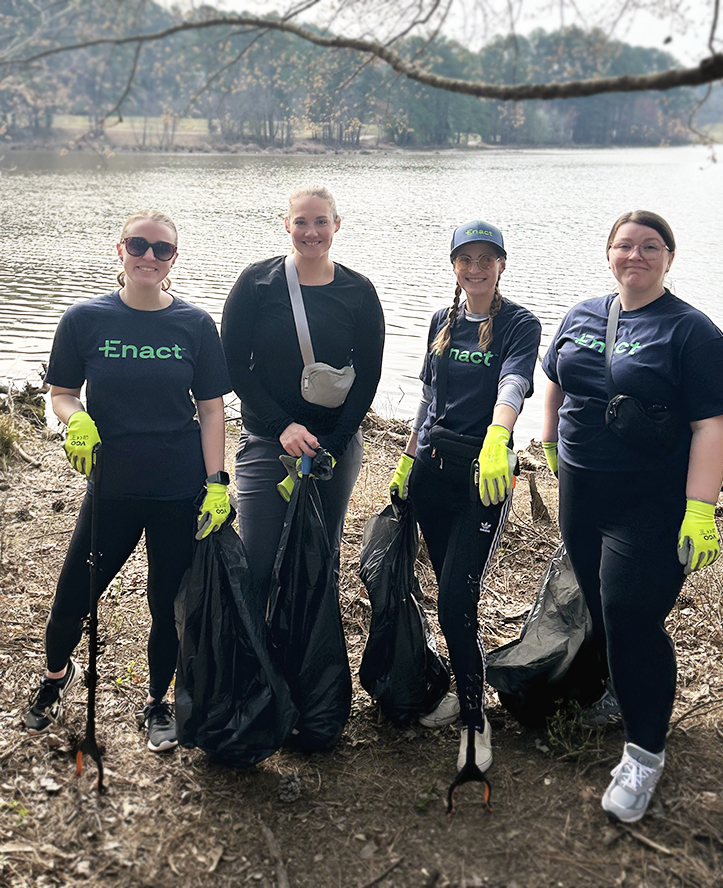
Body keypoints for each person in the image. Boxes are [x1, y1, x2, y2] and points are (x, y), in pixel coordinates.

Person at [541, 210, 723, 823]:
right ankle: (613, 692)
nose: (636, 256)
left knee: (633, 618)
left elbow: (711, 426)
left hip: (650, 501)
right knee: (601, 604)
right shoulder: (582, 314)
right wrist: (549, 440)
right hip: (581, 489)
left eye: (649, 247)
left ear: (669, 257)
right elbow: (556, 376)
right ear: (608, 253)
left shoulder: (692, 333)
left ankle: (645, 751)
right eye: (624, 246)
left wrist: (700, 510)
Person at [25, 210, 232, 753]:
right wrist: (77, 419)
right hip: (112, 487)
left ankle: (159, 702)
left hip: (178, 490)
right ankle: (54, 678)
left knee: (166, 606)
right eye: (138, 245)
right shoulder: (84, 319)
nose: (148, 256)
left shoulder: (194, 325)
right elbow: (62, 392)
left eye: (161, 249)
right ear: (119, 250)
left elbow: (212, 411)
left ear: (173, 261)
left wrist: (217, 482)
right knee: (74, 597)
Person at [389, 220, 541, 773]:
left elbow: (514, 382)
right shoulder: (441, 320)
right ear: (454, 265)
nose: (475, 269)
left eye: (486, 259)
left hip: (484, 477)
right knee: (447, 592)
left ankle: (474, 714)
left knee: (457, 599)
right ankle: (466, 685)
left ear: (501, 264)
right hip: (433, 470)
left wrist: (500, 437)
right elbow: (429, 397)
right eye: (465, 259)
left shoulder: (520, 323)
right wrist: (408, 458)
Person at [221, 184, 384, 609]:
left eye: (321, 222)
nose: (311, 232)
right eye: (301, 222)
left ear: (337, 225)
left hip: (334, 447)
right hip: (266, 444)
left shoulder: (359, 291)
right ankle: (257, 668)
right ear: (287, 225)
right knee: (257, 563)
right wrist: (283, 427)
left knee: (319, 562)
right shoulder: (257, 282)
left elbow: (368, 375)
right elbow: (235, 365)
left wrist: (335, 442)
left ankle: (308, 668)